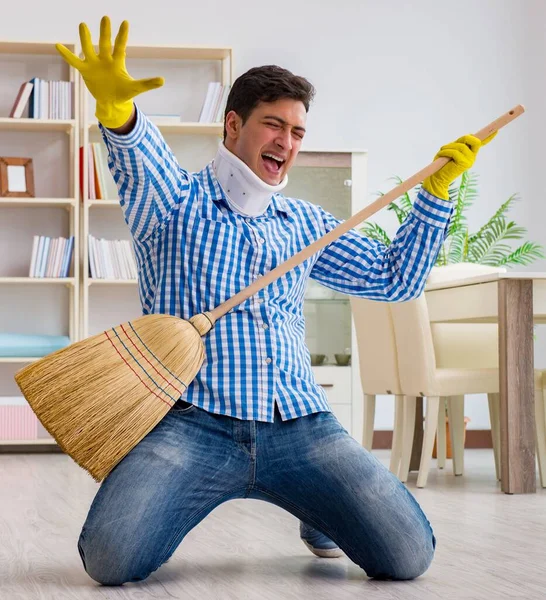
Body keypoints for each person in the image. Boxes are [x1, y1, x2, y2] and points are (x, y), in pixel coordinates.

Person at [56, 16, 495, 586]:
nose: (286, 142)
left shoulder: (307, 223)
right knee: (110, 561)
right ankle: (299, 505)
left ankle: (317, 511)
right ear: (233, 124)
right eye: (273, 125)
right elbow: (144, 161)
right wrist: (121, 115)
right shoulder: (173, 203)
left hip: (299, 423)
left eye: (297, 132)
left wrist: (437, 196)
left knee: (409, 556)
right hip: (193, 426)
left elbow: (394, 280)